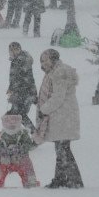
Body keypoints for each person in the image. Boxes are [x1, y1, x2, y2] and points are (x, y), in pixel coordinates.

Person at [36, 48, 84, 188]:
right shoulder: (55, 72)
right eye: (41, 61)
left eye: (45, 60)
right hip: (62, 116)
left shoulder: (59, 73)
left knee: (63, 149)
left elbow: (58, 97)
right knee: (61, 149)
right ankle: (62, 178)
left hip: (63, 116)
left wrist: (43, 110)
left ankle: (73, 180)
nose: (43, 64)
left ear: (53, 59)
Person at [0, 113, 39, 188]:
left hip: (19, 161)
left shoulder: (23, 133)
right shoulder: (2, 134)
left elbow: (28, 144)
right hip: (5, 162)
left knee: (26, 162)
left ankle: (31, 179)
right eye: (8, 120)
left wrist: (20, 149)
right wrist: (2, 150)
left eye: (14, 119)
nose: (11, 122)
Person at [6, 41, 37, 131]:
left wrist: (14, 92)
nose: (13, 52)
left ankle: (34, 133)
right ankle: (13, 134)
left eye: (16, 49)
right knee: (15, 115)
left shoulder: (21, 60)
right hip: (21, 92)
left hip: (25, 93)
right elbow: (14, 78)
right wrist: (11, 88)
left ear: (20, 49)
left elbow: (23, 79)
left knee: (19, 115)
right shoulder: (16, 60)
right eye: (11, 50)